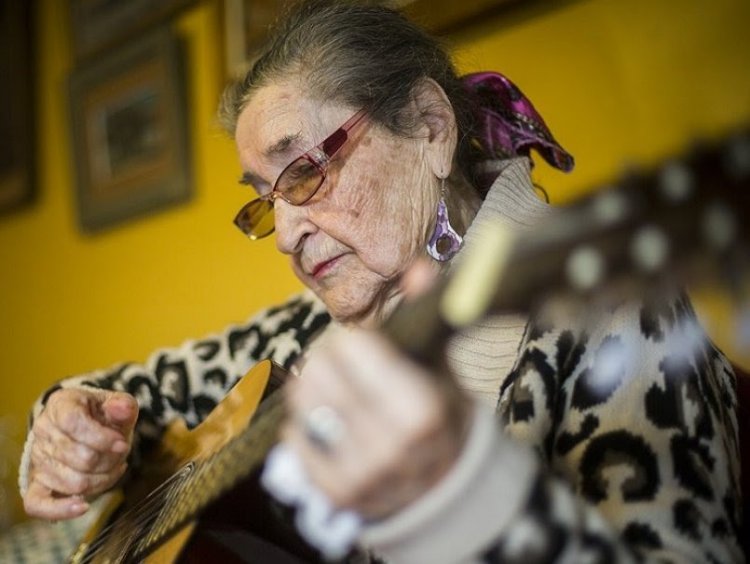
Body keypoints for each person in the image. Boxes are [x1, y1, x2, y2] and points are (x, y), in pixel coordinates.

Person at [20, 1, 742, 562]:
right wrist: (67, 428)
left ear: (430, 128)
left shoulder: (609, 314)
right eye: (265, 199)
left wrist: (461, 498)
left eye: (305, 171)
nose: (291, 235)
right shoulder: (311, 331)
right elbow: (132, 398)